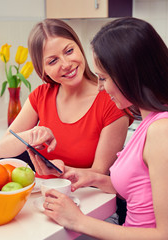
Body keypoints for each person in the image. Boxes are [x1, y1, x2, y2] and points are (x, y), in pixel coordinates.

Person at [30, 17, 168, 239]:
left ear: (128, 76)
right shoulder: (150, 121)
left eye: (103, 78)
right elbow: (143, 190)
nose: (101, 87)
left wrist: (78, 220)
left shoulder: (162, 131)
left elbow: (163, 235)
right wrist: (94, 179)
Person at [0, 19, 129, 180]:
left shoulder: (112, 100)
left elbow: (100, 172)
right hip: (42, 197)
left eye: (69, 51)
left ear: (79, 47)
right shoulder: (41, 95)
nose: (66, 64)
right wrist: (33, 135)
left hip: (88, 200)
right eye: (53, 61)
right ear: (42, 69)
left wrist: (60, 171)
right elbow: (1, 149)